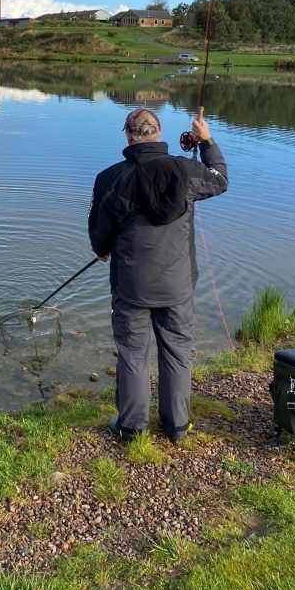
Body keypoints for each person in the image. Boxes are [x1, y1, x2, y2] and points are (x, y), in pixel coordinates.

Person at [88, 107, 228, 442]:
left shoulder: (109, 178)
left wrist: (102, 250)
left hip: (131, 286)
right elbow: (220, 179)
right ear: (160, 132)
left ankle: (132, 429)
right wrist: (206, 141)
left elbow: (98, 234)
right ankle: (177, 426)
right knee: (177, 349)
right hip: (176, 284)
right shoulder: (186, 169)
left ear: (127, 135)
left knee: (133, 354)